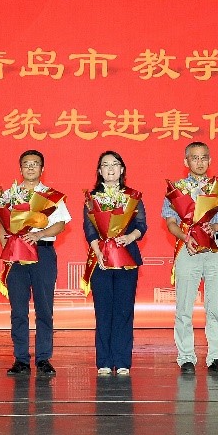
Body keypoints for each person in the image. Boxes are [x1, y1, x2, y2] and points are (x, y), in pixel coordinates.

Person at [163, 141, 218, 375]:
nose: (200, 162)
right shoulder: (177, 189)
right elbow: (170, 222)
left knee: (215, 306)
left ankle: (216, 357)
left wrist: (216, 227)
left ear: (210, 161)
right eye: (194, 158)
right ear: (186, 162)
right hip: (188, 248)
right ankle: (186, 357)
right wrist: (185, 237)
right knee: (184, 305)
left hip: (216, 247)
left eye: (204, 158)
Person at [0, 150, 71, 377]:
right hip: (17, 256)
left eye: (35, 164)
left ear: (42, 169)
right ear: (20, 168)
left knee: (44, 309)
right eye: (26, 164)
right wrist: (7, 249)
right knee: (18, 310)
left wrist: (39, 235)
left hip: (43, 253)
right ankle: (20, 359)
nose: (30, 168)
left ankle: (43, 359)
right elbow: (2, 225)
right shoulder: (9, 195)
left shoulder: (51, 196)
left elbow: (61, 224)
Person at [83, 150, 147, 375]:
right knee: (103, 311)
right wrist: (98, 251)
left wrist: (129, 237)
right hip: (101, 260)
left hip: (126, 258)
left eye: (115, 164)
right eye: (105, 165)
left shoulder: (133, 197)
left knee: (123, 310)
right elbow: (89, 229)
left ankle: (122, 361)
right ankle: (103, 361)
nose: (110, 168)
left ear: (122, 169)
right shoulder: (92, 198)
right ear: (99, 171)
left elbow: (142, 226)